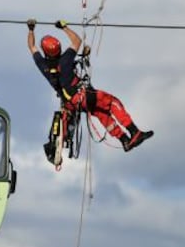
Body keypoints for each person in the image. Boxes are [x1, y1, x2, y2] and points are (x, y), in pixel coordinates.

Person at [26, 19, 153, 152]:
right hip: (82, 97)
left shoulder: (43, 66)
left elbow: (31, 46)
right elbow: (77, 41)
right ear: (59, 49)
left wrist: (30, 29)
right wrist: (64, 27)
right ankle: (134, 132)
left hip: (72, 104)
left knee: (102, 114)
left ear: (45, 52)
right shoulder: (65, 59)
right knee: (112, 102)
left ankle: (124, 141)